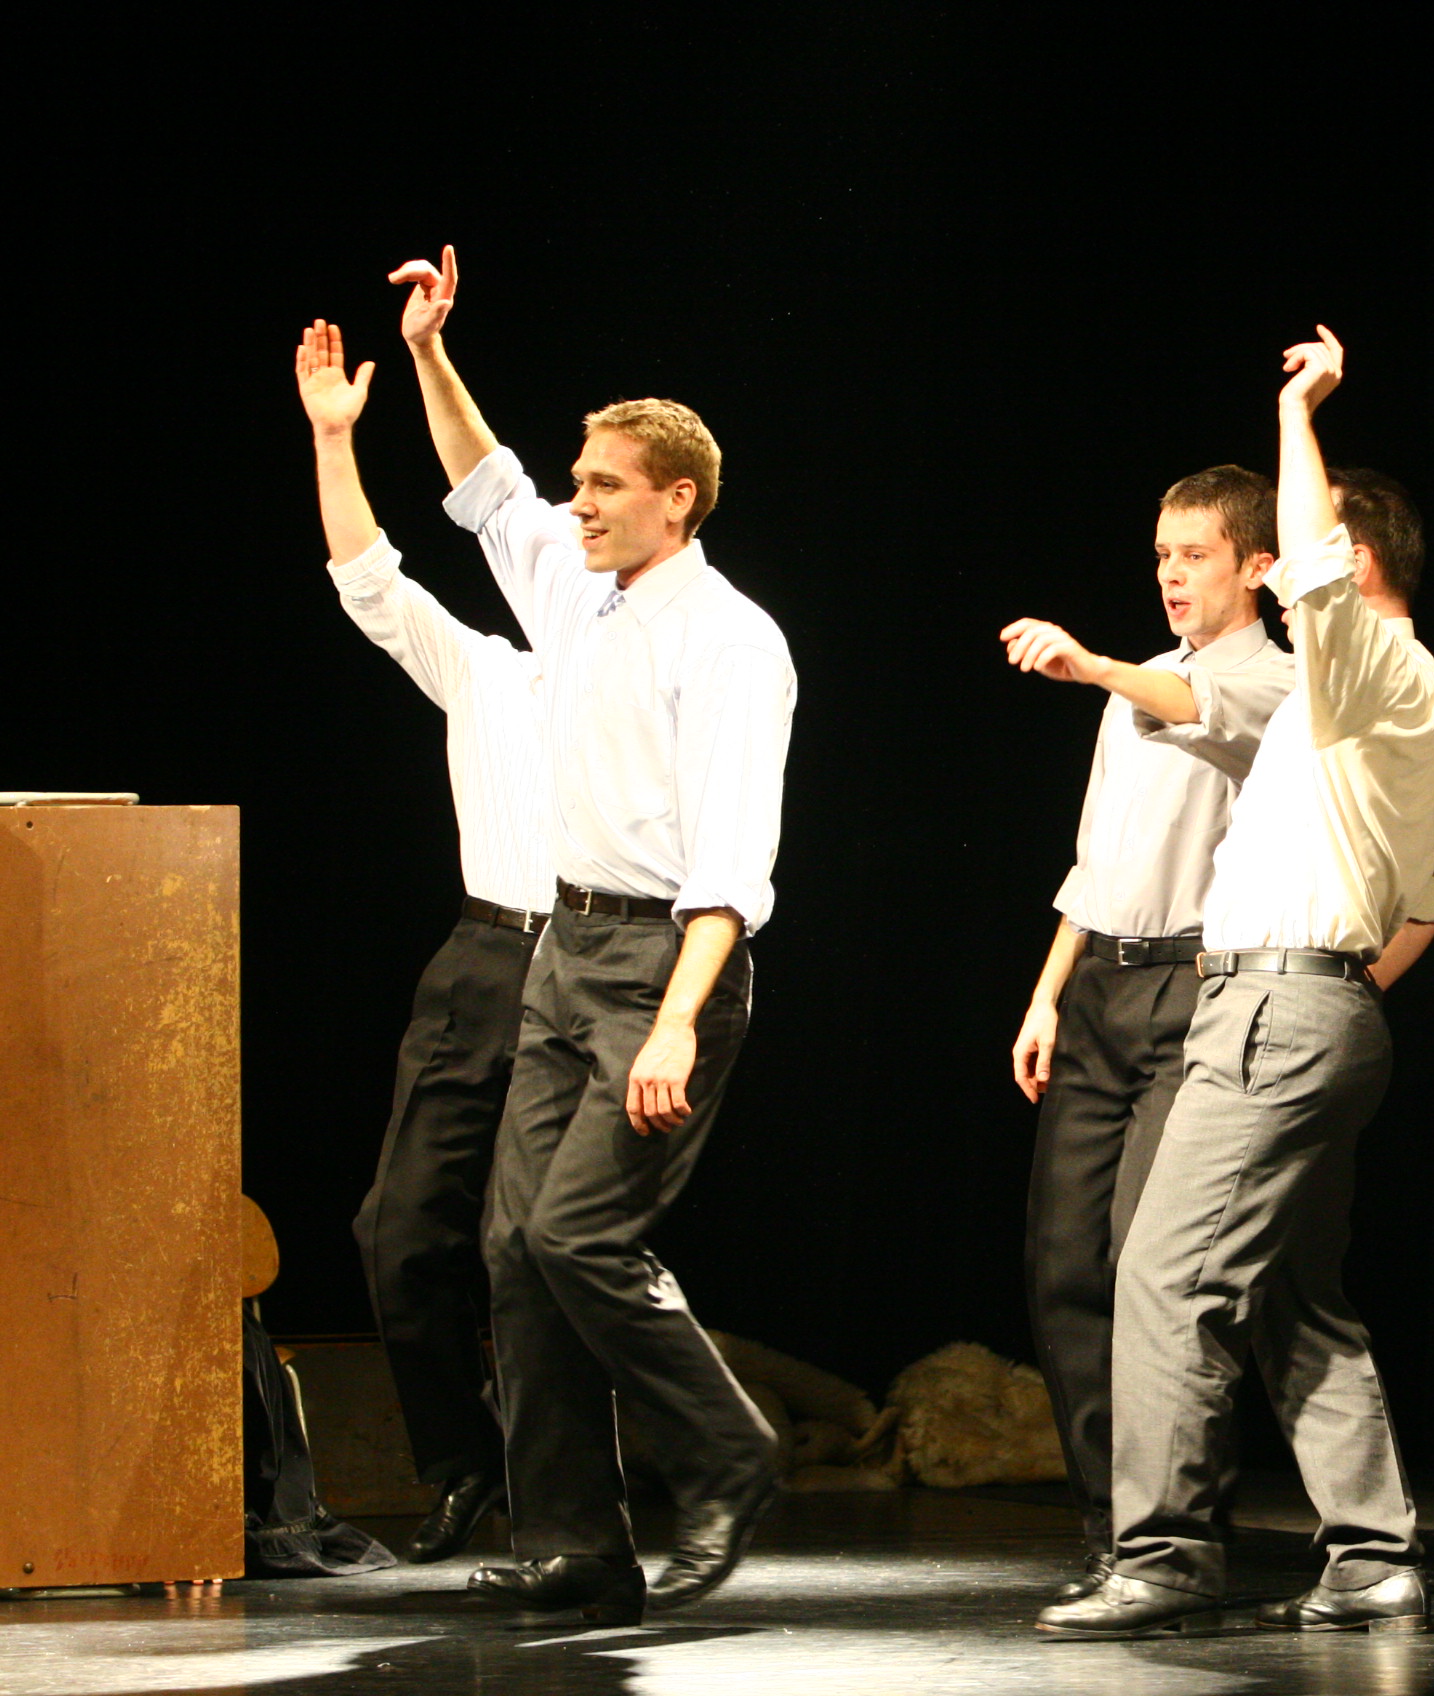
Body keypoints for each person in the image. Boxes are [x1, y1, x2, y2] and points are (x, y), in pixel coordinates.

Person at [390, 249, 797, 1625]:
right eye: (581, 480)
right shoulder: (577, 589)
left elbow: (733, 864)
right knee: (512, 1248)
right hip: (564, 954)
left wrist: (677, 1021)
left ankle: (731, 1451)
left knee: (576, 1234)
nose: (580, 501)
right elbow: (485, 484)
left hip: (664, 973)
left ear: (677, 499)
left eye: (607, 483)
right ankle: (577, 1542)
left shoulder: (732, 642)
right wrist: (430, 350)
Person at [1037, 327, 1434, 1639]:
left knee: (1163, 1274)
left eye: (1298, 545)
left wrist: (1298, 413)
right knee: (1289, 1292)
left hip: (1280, 1009)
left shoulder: (1375, 663)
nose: (1280, 566)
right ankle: (1374, 1551)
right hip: (1300, 1006)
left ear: (1353, 559)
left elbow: (1315, 569)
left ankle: (1164, 1554)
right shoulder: (1352, 705)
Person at [997, 465, 1296, 1602]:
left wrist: (1092, 667)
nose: (1171, 574)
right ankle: (1112, 1526)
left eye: (1195, 554)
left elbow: (1198, 707)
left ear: (1257, 565)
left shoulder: (1281, 682)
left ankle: (1177, 1530)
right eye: (1162, 554)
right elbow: (1095, 865)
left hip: (1199, 990)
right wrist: (1045, 994)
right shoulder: (1132, 687)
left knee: (1150, 1265)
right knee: (1063, 1263)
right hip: (1102, 990)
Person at [295, 319, 548, 1566]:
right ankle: (465, 1465)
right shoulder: (488, 671)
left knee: (538, 1246)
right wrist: (334, 440)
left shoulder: (654, 683)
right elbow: (371, 579)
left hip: (594, 967)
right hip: (483, 959)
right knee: (397, 1228)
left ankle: (570, 1492)